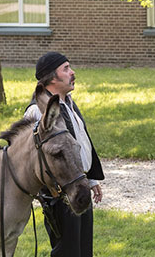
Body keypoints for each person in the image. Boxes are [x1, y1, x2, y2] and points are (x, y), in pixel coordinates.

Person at [25, 52, 105, 257]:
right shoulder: (37, 112)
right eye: (66, 69)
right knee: (67, 252)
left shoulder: (68, 103)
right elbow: (29, 156)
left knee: (83, 250)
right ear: (52, 78)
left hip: (79, 185)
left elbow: (82, 142)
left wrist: (92, 179)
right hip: (59, 193)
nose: (72, 72)